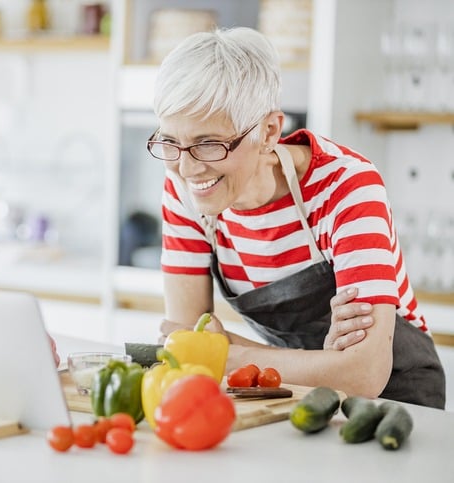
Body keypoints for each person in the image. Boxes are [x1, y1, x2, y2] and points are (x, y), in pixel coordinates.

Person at [149, 27, 445, 409]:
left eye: (209, 144)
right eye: (170, 141)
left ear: (269, 131)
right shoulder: (188, 191)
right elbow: (185, 344)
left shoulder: (346, 186)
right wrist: (328, 363)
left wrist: (231, 352)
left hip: (398, 404)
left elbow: (366, 374)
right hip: (291, 395)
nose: (186, 167)